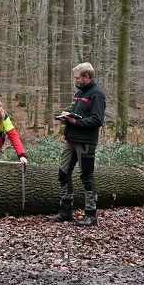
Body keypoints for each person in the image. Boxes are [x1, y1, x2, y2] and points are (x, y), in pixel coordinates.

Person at [48, 62, 106, 226]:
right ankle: (66, 211)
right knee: (63, 173)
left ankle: (91, 214)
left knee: (86, 176)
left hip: (86, 142)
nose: (75, 80)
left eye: (77, 77)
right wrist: (67, 117)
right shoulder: (80, 92)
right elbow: (80, 114)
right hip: (71, 140)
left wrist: (75, 121)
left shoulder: (96, 94)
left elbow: (97, 120)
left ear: (87, 77)